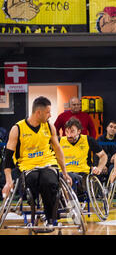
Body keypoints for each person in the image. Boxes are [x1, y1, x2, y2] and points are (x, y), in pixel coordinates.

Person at [2, 96, 72, 228]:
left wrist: (65, 172)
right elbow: (8, 156)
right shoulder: (17, 129)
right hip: (28, 166)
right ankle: (33, 211)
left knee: (48, 181)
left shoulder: (49, 127)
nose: (50, 115)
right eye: (48, 112)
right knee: (33, 180)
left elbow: (58, 150)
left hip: (48, 163)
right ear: (38, 112)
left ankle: (50, 218)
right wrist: (8, 179)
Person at [60, 117, 107, 198]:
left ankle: (71, 205)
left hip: (82, 175)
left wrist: (99, 168)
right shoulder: (59, 141)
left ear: (79, 131)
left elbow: (103, 156)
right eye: (67, 131)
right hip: (62, 174)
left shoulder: (88, 140)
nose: (69, 135)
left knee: (70, 177)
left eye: (72, 131)